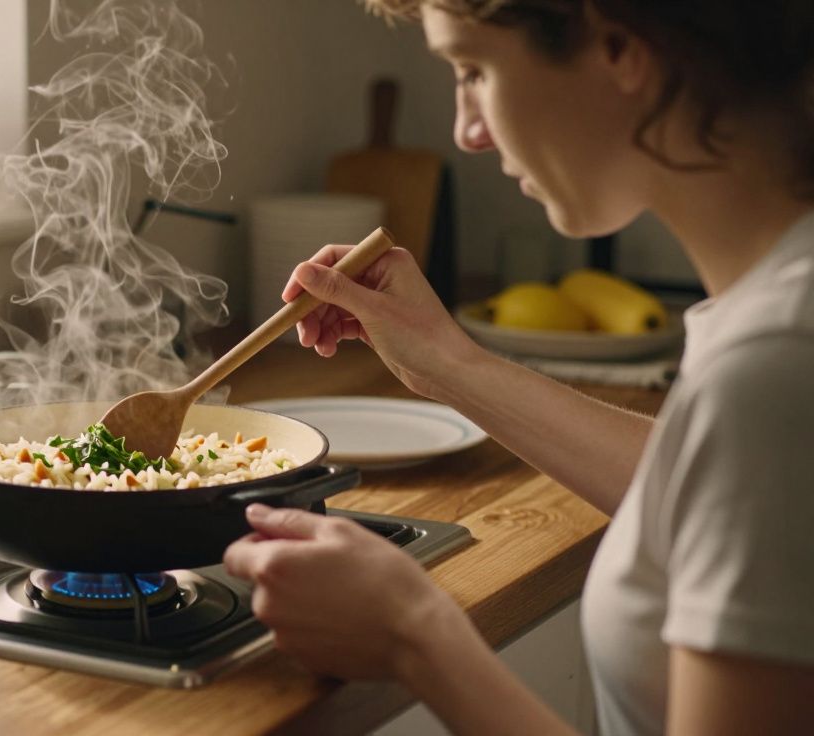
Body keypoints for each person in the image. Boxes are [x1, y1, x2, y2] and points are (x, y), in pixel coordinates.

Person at [222, 2, 814, 734]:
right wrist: (449, 367)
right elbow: (711, 496)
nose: (466, 132)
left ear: (619, 46)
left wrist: (416, 634)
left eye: (474, 70)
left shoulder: (776, 370)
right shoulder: (781, 327)